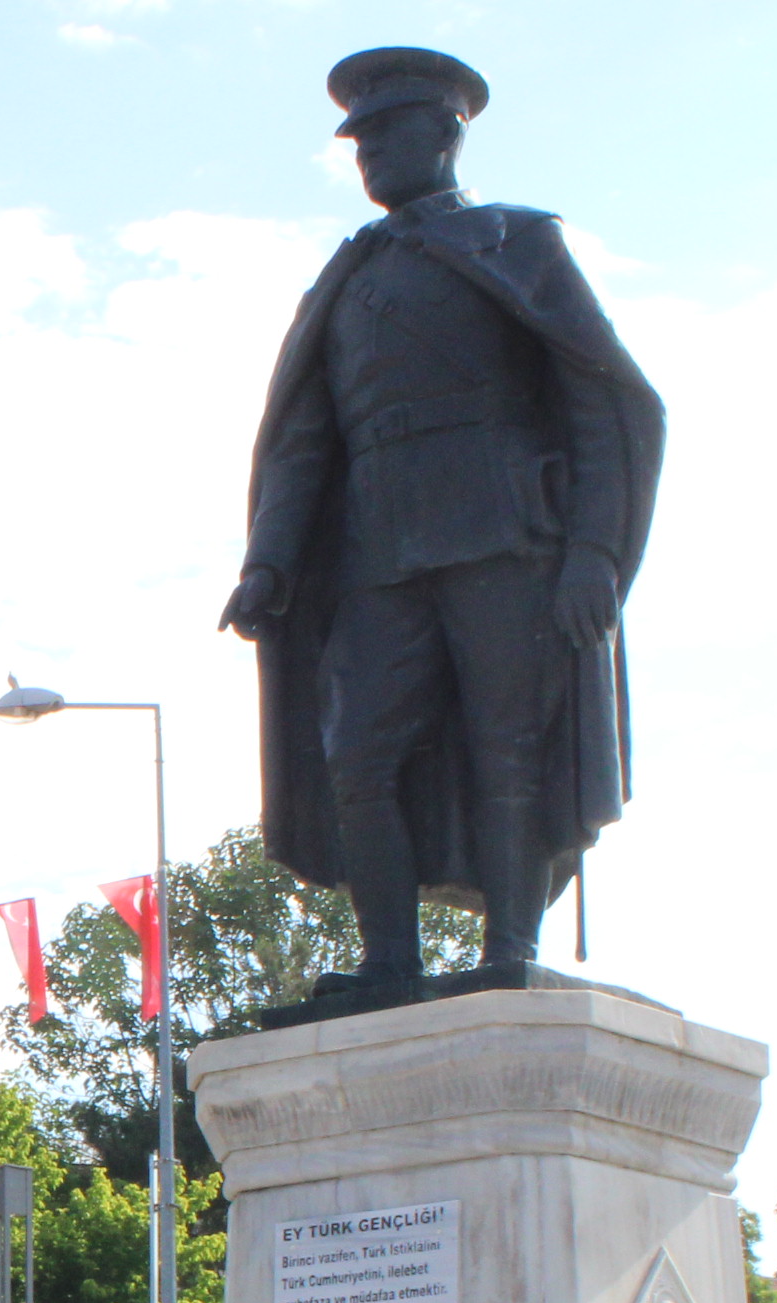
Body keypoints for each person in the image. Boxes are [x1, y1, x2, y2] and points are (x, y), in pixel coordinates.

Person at [221, 43, 663, 994]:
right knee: (357, 755)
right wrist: (269, 561)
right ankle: (389, 962)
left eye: (391, 132)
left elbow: (606, 403)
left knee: (510, 743)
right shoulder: (345, 279)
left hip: (503, 534)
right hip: (378, 550)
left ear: (449, 134)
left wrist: (594, 551)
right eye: (361, 140)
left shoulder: (515, 244)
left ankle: (509, 952)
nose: (372, 154)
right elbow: (303, 439)